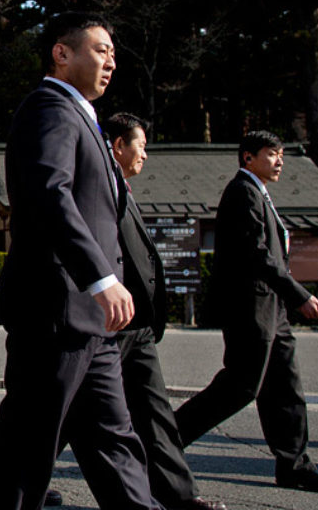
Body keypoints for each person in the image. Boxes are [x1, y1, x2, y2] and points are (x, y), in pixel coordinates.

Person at [0, 12, 157, 510]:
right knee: (26, 448)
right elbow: (47, 194)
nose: (111, 62)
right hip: (56, 310)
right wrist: (100, 275)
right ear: (62, 53)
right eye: (101, 50)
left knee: (115, 444)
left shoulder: (83, 117)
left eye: (114, 54)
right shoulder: (50, 108)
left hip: (89, 320)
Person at [175, 131, 318, 496]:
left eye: (281, 154)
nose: (279, 160)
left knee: (286, 389)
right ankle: (165, 441)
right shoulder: (242, 192)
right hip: (250, 307)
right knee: (240, 386)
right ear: (248, 157)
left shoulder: (259, 193)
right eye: (271, 154)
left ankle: (294, 465)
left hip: (271, 308)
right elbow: (258, 254)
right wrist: (298, 294)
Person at [91, 114, 225, 510]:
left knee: (155, 412)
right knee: (68, 410)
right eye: (141, 145)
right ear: (118, 146)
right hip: (109, 321)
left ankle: (179, 495)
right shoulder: (99, 183)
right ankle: (29, 478)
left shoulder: (123, 186)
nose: (145, 155)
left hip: (138, 325)